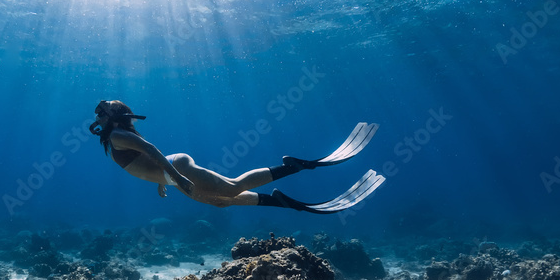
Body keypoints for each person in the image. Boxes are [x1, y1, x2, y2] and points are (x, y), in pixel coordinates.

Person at [89, 100, 385, 214]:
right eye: (98, 113)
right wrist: (163, 181)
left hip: (178, 169)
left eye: (102, 112)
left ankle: (293, 167)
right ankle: (280, 201)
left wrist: (175, 176)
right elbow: (146, 159)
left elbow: (152, 151)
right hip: (171, 174)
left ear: (114, 117)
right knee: (220, 202)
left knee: (231, 187)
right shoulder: (119, 136)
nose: (97, 116)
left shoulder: (116, 135)